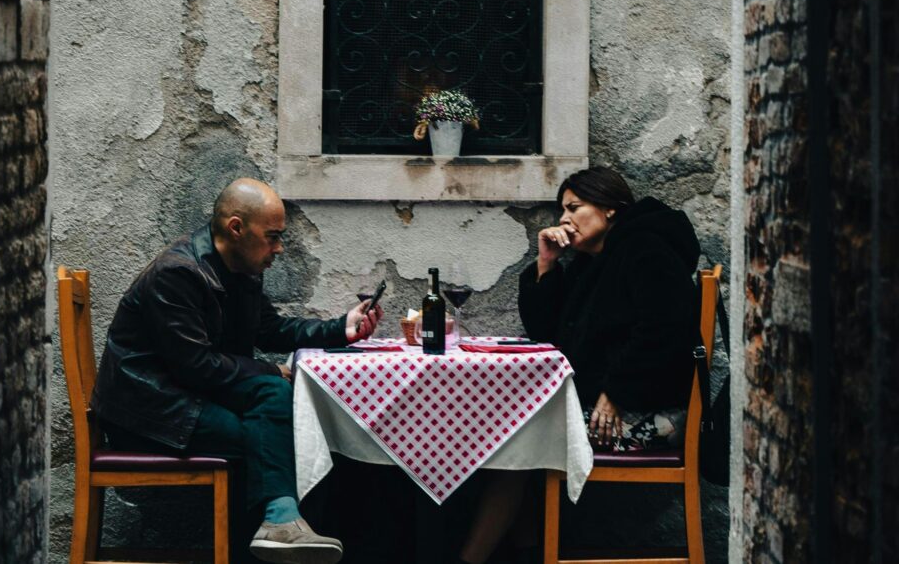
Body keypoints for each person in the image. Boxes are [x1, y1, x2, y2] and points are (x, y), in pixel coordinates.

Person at [91, 178, 384, 564]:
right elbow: (196, 366)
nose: (279, 248)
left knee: (275, 409)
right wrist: (273, 371)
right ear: (235, 228)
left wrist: (339, 328)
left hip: (191, 399)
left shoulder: (240, 268)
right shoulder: (176, 273)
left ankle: (281, 524)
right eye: (273, 236)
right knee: (273, 430)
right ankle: (280, 525)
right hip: (148, 413)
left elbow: (269, 328)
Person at [457, 166, 701, 564]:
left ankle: (475, 559)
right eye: (562, 210)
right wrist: (547, 264)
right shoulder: (595, 261)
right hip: (619, 403)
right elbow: (548, 331)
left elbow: (666, 328)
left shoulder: (645, 249)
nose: (565, 219)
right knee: (510, 436)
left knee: (518, 439)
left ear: (609, 209)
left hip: (651, 413)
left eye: (575, 207)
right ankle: (528, 553)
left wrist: (616, 392)